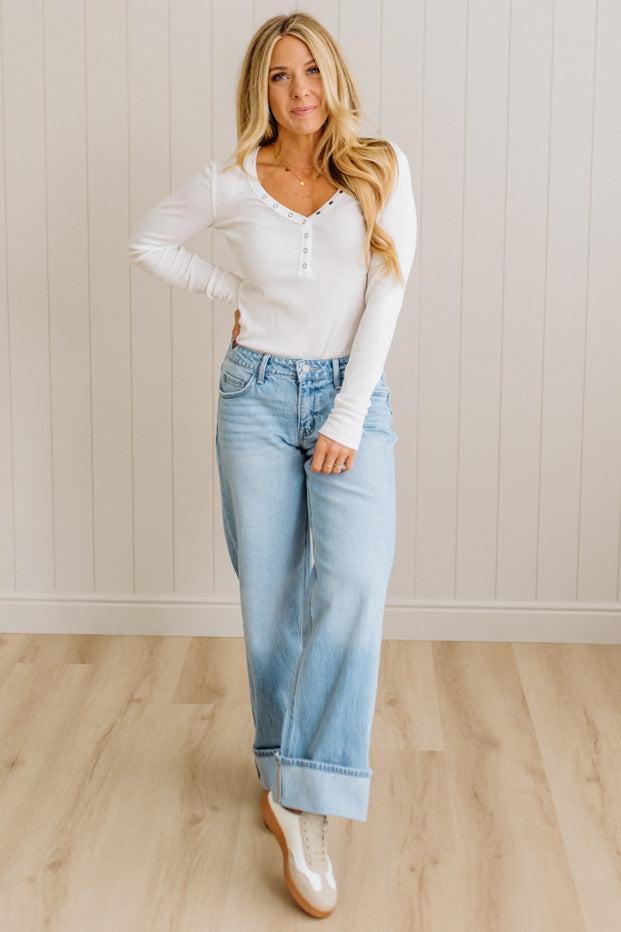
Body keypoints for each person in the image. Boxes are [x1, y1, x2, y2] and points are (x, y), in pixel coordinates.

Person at [128, 11, 417, 920]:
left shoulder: (380, 168)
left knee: (353, 584)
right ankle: (285, 783)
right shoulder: (230, 184)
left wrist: (342, 414)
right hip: (252, 398)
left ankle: (312, 798)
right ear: (261, 89)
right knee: (270, 592)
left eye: (313, 72)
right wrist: (232, 293)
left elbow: (387, 293)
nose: (301, 91)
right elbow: (149, 242)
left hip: (350, 399)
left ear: (335, 78)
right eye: (282, 76)